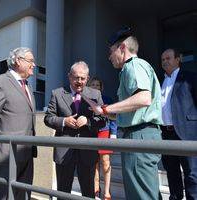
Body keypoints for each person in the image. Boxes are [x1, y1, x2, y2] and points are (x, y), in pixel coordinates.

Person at [83, 27, 163, 200]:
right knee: (145, 191)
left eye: (111, 52)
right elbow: (130, 112)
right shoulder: (133, 68)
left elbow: (143, 98)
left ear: (122, 48)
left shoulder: (133, 65)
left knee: (141, 194)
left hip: (139, 136)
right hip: (139, 135)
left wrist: (106, 109)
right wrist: (104, 112)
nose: (109, 56)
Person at [0, 47, 37, 200]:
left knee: (23, 196)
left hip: (27, 153)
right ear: (18, 61)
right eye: (31, 61)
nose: (34, 65)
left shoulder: (28, 86)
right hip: (7, 154)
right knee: (3, 196)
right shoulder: (1, 82)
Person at [44, 61, 106, 199]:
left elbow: (103, 120)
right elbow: (48, 118)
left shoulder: (95, 94)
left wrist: (88, 122)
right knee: (63, 191)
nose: (79, 81)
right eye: (76, 77)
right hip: (64, 150)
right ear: (69, 76)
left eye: (83, 78)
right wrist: (64, 121)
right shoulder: (57, 93)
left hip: (87, 151)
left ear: (87, 78)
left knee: (88, 192)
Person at [160, 48, 197, 200]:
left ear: (178, 59)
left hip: (186, 132)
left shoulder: (190, 77)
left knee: (192, 174)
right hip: (166, 133)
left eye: (168, 58)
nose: (165, 61)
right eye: (162, 60)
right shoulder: (160, 81)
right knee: (171, 171)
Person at [87, 77, 117, 199]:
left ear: (101, 87)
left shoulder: (107, 99)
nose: (95, 87)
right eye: (93, 85)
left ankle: (107, 191)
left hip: (105, 132)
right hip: (91, 133)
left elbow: (113, 117)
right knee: (94, 164)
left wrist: (113, 133)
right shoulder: (86, 101)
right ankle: (96, 189)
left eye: (97, 85)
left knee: (105, 162)